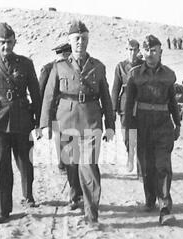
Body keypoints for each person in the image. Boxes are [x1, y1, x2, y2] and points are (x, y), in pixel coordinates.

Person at [40, 20, 115, 226]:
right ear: (69, 41)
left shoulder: (98, 67)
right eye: (76, 39)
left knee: (89, 166)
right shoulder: (59, 67)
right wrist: (45, 124)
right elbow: (49, 96)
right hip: (66, 122)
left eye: (83, 39)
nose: (80, 43)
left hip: (91, 121)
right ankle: (76, 193)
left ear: (88, 40)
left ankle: (92, 216)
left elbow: (106, 99)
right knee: (71, 164)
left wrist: (110, 124)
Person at [0, 22, 42, 224]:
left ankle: (28, 194)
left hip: (22, 119)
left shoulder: (26, 64)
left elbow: (36, 95)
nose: (6, 46)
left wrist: (39, 122)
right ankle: (1, 211)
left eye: (10, 42)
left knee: (24, 160)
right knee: (1, 164)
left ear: (15, 42)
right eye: (2, 42)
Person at [124, 34, 181, 226]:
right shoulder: (135, 75)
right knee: (146, 167)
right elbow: (128, 104)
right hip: (142, 126)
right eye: (147, 50)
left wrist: (177, 123)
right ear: (142, 52)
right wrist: (128, 131)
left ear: (161, 53)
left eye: (154, 51)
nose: (150, 54)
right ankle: (150, 198)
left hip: (163, 126)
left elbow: (173, 101)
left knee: (163, 165)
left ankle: (165, 206)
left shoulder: (168, 75)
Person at [38, 42, 72, 172]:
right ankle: (62, 163)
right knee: (60, 136)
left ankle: (68, 163)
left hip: (69, 108)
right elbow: (41, 92)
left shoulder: (73, 68)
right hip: (54, 109)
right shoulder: (48, 68)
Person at [111, 39, 143, 172]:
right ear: (126, 50)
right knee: (127, 136)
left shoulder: (144, 66)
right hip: (124, 106)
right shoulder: (120, 66)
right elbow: (115, 89)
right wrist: (112, 109)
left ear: (138, 51)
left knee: (141, 136)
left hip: (141, 105)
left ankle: (141, 167)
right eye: (130, 50)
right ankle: (130, 157)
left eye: (135, 50)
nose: (132, 53)